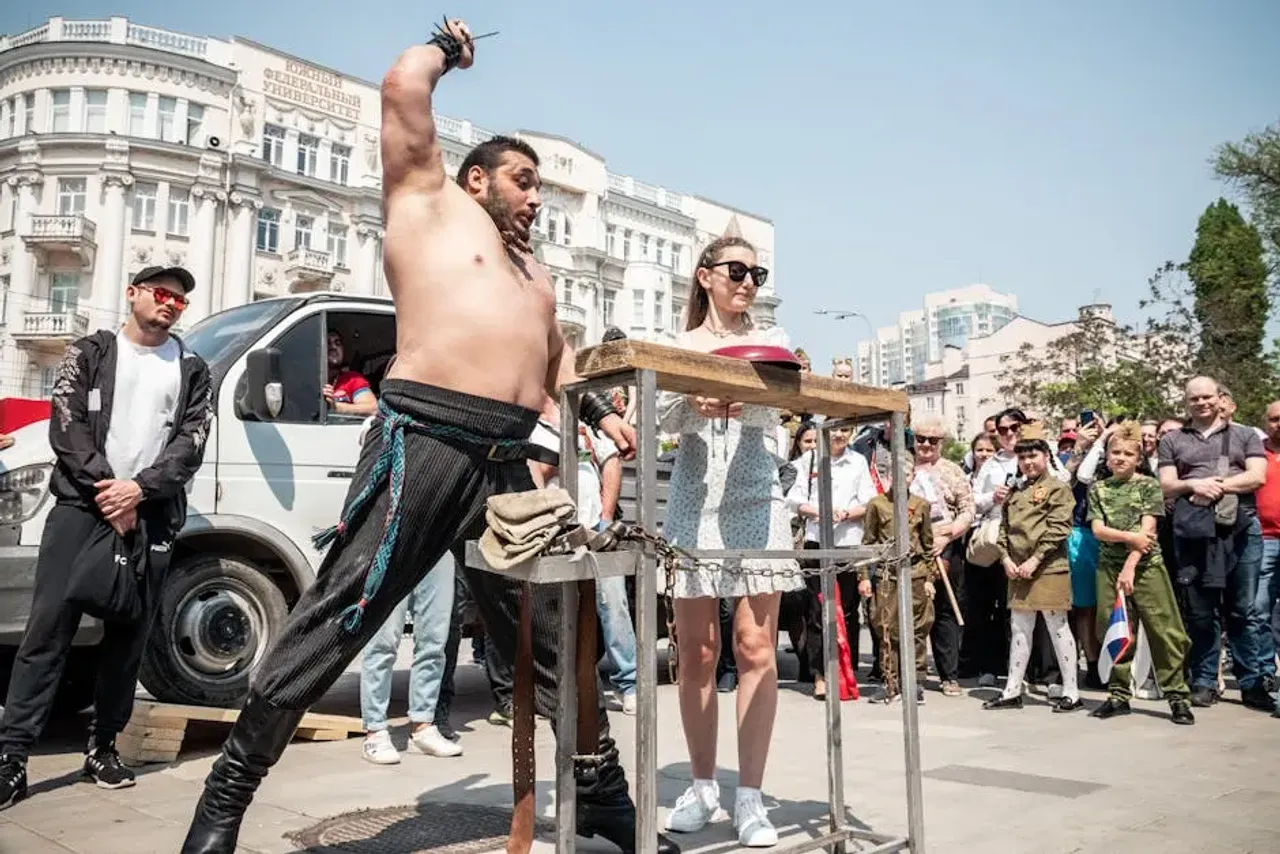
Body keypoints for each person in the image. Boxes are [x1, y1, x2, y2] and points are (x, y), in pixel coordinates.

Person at [180, 22, 673, 854]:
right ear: (476, 177)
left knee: (559, 628)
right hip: (425, 441)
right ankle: (224, 801)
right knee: (338, 614)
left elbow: (555, 365)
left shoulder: (536, 274)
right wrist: (447, 52)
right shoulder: (427, 204)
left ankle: (601, 793)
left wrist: (595, 412)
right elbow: (402, 90)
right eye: (523, 180)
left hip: (511, 463)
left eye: (539, 186)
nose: (535, 196)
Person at [0, 266, 212, 808]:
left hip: (151, 514)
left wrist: (139, 491)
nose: (170, 304)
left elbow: (191, 444)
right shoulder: (87, 353)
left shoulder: (192, 368)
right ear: (134, 294)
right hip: (81, 509)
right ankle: (13, 756)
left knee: (129, 637)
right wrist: (107, 492)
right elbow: (65, 425)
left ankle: (104, 748)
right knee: (47, 632)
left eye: (180, 301)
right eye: (161, 293)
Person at [659, 235, 799, 848]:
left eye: (757, 272)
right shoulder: (679, 344)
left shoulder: (774, 341)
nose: (747, 282)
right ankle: (701, 784)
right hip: (694, 497)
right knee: (695, 652)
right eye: (736, 270)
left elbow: (788, 407)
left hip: (755, 492)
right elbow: (654, 416)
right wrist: (692, 397)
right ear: (705, 276)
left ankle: (750, 796)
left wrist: (748, 396)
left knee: (756, 647)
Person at [1158, 377, 1269, 711]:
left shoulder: (1246, 434)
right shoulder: (1172, 440)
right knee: (1201, 613)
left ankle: (1252, 683)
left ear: (1221, 398)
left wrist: (1216, 485)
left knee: (1243, 610)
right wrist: (1195, 484)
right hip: (1193, 533)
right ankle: (1204, 681)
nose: (1201, 403)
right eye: (1194, 399)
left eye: (1207, 397)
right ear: (1186, 403)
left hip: (1241, 529)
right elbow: (1166, 484)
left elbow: (1257, 476)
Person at [528, 400, 639, 714]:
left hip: (593, 529)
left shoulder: (586, 423)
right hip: (555, 535)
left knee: (613, 604)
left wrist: (605, 517)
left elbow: (612, 460)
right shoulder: (531, 428)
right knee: (559, 613)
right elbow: (534, 472)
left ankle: (628, 684)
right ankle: (565, 687)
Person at [1085, 422, 1194, 725]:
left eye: (1127, 454)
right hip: (1108, 567)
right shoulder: (1100, 489)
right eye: (1114, 452)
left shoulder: (1148, 485)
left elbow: (1148, 533)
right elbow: (1098, 530)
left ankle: (1177, 695)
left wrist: (1131, 563)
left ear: (1138, 459)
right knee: (1114, 629)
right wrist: (1128, 538)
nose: (1119, 458)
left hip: (1146, 567)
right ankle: (1119, 693)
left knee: (1165, 630)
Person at [982, 422, 1083, 713]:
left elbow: (1059, 528)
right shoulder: (1015, 490)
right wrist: (1005, 558)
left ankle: (1071, 691)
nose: (1027, 462)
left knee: (1057, 627)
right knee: (1020, 628)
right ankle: (1012, 690)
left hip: (1049, 567)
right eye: (1022, 457)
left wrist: (1035, 559)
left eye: (1033, 456)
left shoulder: (1057, 489)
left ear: (1046, 456)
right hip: (1017, 568)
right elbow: (1003, 528)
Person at [785, 422, 877, 698]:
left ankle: (844, 672)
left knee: (847, 610)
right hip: (817, 540)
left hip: (848, 541)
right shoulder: (809, 460)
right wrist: (820, 511)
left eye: (845, 431)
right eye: (834, 430)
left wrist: (847, 514)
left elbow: (870, 501)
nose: (838, 435)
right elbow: (794, 500)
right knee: (818, 611)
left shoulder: (858, 461)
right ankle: (820, 674)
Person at [859, 454, 935, 704]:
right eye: (896, 475)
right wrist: (864, 576)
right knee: (886, 629)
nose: (902, 479)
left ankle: (915, 681)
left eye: (908, 474)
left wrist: (929, 578)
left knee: (916, 629)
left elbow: (927, 544)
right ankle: (889, 681)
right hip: (886, 575)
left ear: (914, 477)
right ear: (888, 477)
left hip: (915, 574)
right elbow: (867, 543)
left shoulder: (921, 505)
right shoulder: (877, 505)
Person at [909, 416, 974, 697]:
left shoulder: (952, 470)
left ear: (941, 443)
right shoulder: (904, 467)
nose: (926, 445)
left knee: (945, 611)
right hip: (912, 548)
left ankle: (949, 674)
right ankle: (914, 675)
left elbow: (968, 510)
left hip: (946, 544)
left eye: (932, 440)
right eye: (921, 438)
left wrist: (948, 535)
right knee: (914, 611)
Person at [1257, 400, 1280, 711]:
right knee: (1258, 609)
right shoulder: (1255, 452)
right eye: (1274, 419)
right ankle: (1266, 676)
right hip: (1262, 539)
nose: (1279, 423)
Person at [324, 329, 378, 417]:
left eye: (337, 343)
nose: (333, 347)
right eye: (328, 343)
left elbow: (373, 409)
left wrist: (336, 407)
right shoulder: (310, 381)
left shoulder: (353, 379)